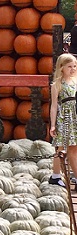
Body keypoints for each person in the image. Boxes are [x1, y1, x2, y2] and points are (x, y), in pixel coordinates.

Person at [50, 53, 77, 188]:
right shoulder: (57, 85)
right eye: (69, 66)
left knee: (74, 148)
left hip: (75, 117)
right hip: (65, 118)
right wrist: (53, 125)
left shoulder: (76, 82)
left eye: (74, 66)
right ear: (61, 68)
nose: (73, 69)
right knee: (61, 148)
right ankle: (55, 176)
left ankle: (75, 175)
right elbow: (54, 106)